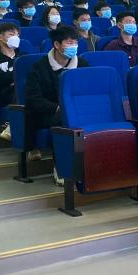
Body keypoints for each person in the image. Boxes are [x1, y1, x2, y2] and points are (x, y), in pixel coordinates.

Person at [25, 25, 89, 185]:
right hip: (47, 113)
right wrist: (57, 107)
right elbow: (33, 98)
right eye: (69, 43)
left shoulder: (82, 64)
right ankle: (61, 168)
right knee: (63, 121)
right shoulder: (39, 67)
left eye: (75, 43)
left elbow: (88, 92)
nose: (73, 46)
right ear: (57, 44)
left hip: (77, 111)